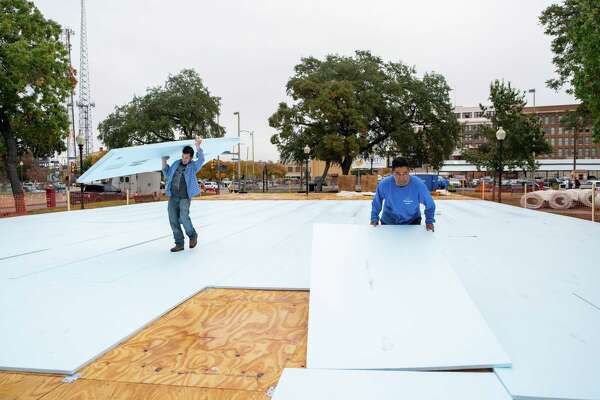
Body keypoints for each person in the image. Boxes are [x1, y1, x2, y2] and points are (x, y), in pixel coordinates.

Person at [162, 137, 205, 252]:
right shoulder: (176, 163)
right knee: (173, 219)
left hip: (185, 197)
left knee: (183, 218)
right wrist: (164, 162)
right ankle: (179, 243)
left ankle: (192, 235)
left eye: (186, 158)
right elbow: (167, 174)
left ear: (191, 158)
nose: (184, 159)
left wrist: (198, 147)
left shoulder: (192, 166)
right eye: (183, 156)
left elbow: (201, 159)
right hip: (173, 196)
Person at [370, 157, 435, 231]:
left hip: (412, 222)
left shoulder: (418, 185)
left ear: (409, 172)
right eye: (398, 174)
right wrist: (374, 217)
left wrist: (429, 221)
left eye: (405, 174)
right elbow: (376, 202)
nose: (402, 178)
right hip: (389, 222)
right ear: (392, 173)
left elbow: (430, 204)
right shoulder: (384, 184)